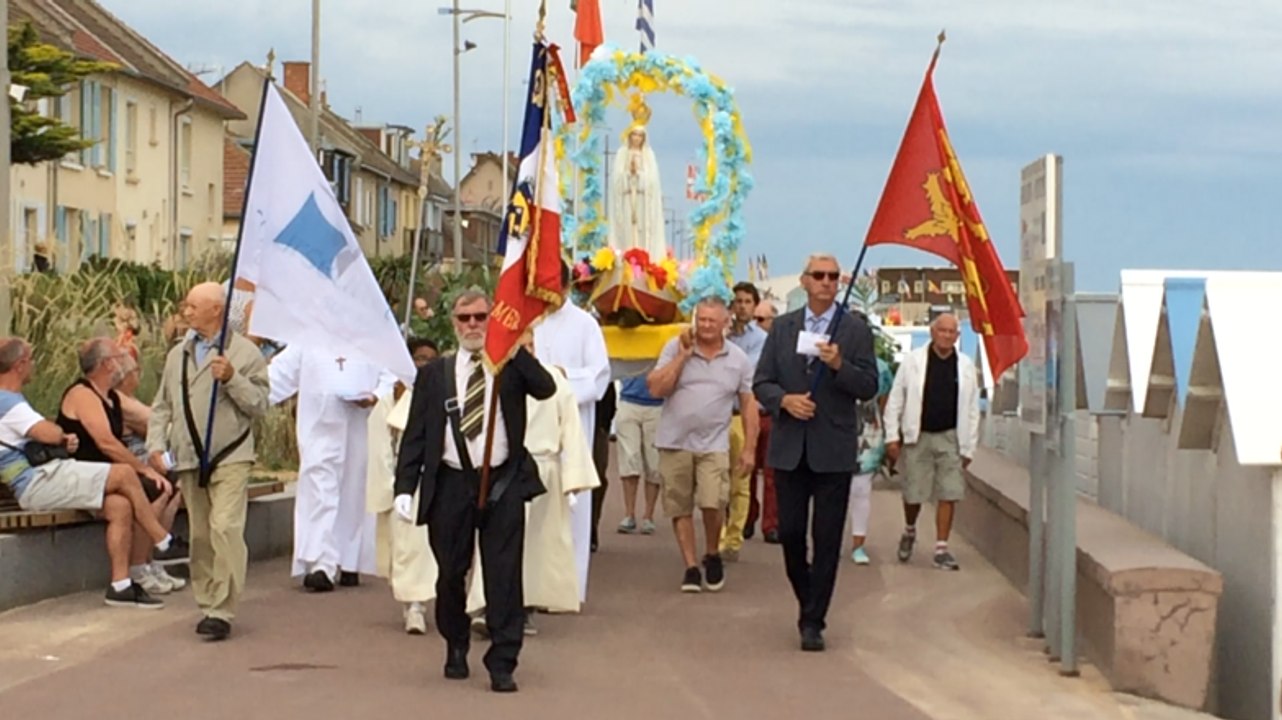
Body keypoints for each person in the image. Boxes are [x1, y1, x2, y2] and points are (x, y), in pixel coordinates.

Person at [394, 290, 556, 693]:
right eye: (464, 318)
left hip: (502, 482)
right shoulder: (435, 374)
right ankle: (455, 641)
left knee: (503, 577)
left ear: (492, 319)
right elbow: (416, 434)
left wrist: (514, 348)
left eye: (481, 317)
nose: (472, 325)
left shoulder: (511, 367)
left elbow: (546, 388)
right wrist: (405, 486)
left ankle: (503, 660)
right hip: (450, 484)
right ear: (453, 322)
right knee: (450, 573)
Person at [753, 253, 878, 652]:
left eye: (832, 276)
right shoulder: (784, 327)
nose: (826, 282)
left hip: (832, 449)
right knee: (790, 533)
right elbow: (762, 382)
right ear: (804, 282)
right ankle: (806, 595)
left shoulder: (855, 329)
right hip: (791, 447)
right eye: (818, 276)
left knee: (826, 539)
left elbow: (869, 385)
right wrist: (784, 401)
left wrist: (840, 365)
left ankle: (813, 620)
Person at [0, 337, 182, 609]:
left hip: (47, 476)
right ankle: (163, 541)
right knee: (124, 475)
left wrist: (59, 438)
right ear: (20, 364)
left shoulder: (12, 400)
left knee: (119, 506)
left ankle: (120, 586)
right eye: (32, 360)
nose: (34, 366)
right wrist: (60, 435)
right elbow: (46, 432)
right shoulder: (7, 401)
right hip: (34, 484)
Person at [149, 282, 270, 639]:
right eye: (185, 306)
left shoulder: (245, 354)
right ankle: (206, 599)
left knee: (225, 527)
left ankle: (222, 609)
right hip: (189, 456)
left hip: (231, 454)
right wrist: (156, 444)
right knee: (201, 534)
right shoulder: (178, 355)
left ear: (216, 310)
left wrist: (232, 379)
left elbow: (260, 404)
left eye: (192, 306)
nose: (185, 312)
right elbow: (162, 406)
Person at [467, 330, 599, 624]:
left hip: (545, 470)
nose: (525, 352)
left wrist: (573, 477)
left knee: (536, 545)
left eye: (529, 346)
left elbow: (571, 426)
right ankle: (488, 605)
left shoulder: (551, 379)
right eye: (519, 347)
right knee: (496, 539)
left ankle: (521, 608)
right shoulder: (489, 375)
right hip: (505, 468)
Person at [58, 338, 187, 596]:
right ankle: (155, 548)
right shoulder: (82, 394)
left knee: (156, 488)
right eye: (119, 356)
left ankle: (137, 570)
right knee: (150, 486)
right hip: (87, 472)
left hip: (110, 475)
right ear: (106, 364)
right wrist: (143, 468)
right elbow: (106, 442)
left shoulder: (112, 398)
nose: (124, 362)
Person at [648, 297, 757, 593]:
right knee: (679, 506)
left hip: (714, 444)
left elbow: (748, 404)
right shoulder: (675, 346)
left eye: (712, 321)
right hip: (674, 441)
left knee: (713, 501)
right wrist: (682, 357)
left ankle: (712, 552)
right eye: (702, 320)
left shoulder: (738, 360)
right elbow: (656, 388)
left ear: (726, 323)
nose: (706, 326)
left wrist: (749, 448)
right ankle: (691, 566)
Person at [269, 342, 395, 592]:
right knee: (319, 490)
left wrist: (376, 395)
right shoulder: (307, 341)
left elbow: (390, 375)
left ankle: (349, 560)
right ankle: (321, 564)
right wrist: (241, 386)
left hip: (360, 425)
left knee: (354, 491)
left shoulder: (370, 338)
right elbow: (276, 377)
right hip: (319, 427)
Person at [532, 263, 610, 603]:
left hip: (571, 426)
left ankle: (567, 589)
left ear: (564, 286)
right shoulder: (526, 321)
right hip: (532, 428)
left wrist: (562, 377)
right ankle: (531, 586)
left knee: (572, 506)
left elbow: (599, 376)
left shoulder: (585, 325)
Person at [883, 313, 981, 571]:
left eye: (952, 332)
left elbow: (972, 409)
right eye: (943, 331)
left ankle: (941, 549)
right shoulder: (913, 362)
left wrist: (969, 446)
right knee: (914, 494)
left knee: (949, 493)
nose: (947, 336)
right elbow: (896, 400)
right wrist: (892, 436)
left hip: (951, 437)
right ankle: (910, 529)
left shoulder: (966, 366)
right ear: (933, 332)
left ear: (957, 337)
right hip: (919, 435)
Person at [368, 340, 439, 635]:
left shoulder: (443, 396)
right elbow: (380, 446)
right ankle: (413, 606)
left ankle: (421, 602)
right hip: (403, 483)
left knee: (427, 548)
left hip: (435, 480)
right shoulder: (391, 399)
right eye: (419, 359)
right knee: (405, 547)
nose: (424, 364)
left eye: (430, 360)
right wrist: (390, 487)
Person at [722, 282, 767, 561]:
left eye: (747, 301)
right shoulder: (720, 334)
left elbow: (743, 370)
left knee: (740, 481)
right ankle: (718, 536)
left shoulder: (761, 338)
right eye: (737, 301)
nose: (741, 306)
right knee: (715, 481)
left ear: (755, 305)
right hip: (717, 416)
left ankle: (734, 540)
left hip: (742, 415)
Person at [848, 357, 895, 565]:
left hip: (868, 432)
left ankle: (858, 544)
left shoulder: (881, 368)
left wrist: (887, 435)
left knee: (861, 488)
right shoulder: (827, 360)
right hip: (833, 430)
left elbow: (885, 403)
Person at [608, 122, 666, 257]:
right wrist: (628, 175)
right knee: (628, 233)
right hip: (627, 201)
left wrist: (639, 175)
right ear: (629, 136)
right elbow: (616, 182)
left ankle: (644, 259)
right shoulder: (622, 154)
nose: (637, 138)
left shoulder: (649, 155)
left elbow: (653, 183)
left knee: (642, 233)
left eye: (640, 136)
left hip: (643, 203)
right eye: (634, 134)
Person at [615, 375, 661, 535]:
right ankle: (629, 514)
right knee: (629, 459)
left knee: (654, 464)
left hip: (658, 403)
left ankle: (648, 515)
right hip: (628, 400)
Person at [753, 300, 781, 543]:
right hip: (748, 416)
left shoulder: (780, 346)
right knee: (745, 471)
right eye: (754, 319)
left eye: (761, 320)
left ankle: (771, 524)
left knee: (773, 475)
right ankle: (746, 518)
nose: (756, 324)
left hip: (771, 415)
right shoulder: (741, 342)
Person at [589, 382, 616, 552]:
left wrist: (603, 428)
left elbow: (609, 399)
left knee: (597, 478)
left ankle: (592, 526)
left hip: (598, 429)